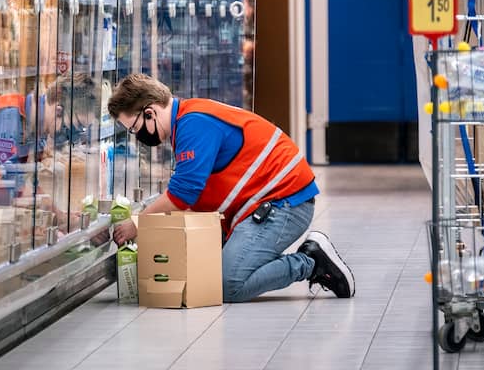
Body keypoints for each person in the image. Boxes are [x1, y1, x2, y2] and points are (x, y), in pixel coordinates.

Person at [107, 73, 355, 302]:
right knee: (207, 272)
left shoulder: (193, 125)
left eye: (134, 128)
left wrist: (138, 222)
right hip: (265, 204)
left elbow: (184, 194)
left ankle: (310, 262)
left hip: (285, 204)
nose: (137, 136)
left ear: (150, 113)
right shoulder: (187, 118)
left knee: (227, 284)